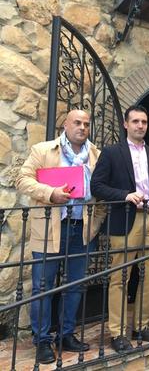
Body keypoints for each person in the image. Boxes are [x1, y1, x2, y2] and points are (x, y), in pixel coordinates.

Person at [16, 110, 103, 364]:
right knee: (43, 285)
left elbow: (101, 195)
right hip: (50, 227)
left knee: (75, 285)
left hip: (82, 228)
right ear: (65, 124)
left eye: (86, 124)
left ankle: (65, 335)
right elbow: (22, 179)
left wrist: (95, 225)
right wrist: (50, 193)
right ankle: (42, 340)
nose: (82, 127)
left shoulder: (96, 154)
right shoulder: (43, 150)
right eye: (77, 122)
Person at [90, 105, 149, 353]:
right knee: (119, 278)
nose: (140, 125)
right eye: (135, 121)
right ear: (126, 124)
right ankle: (117, 332)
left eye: (144, 122)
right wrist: (124, 195)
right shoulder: (112, 153)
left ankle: (141, 325)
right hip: (124, 220)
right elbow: (97, 186)